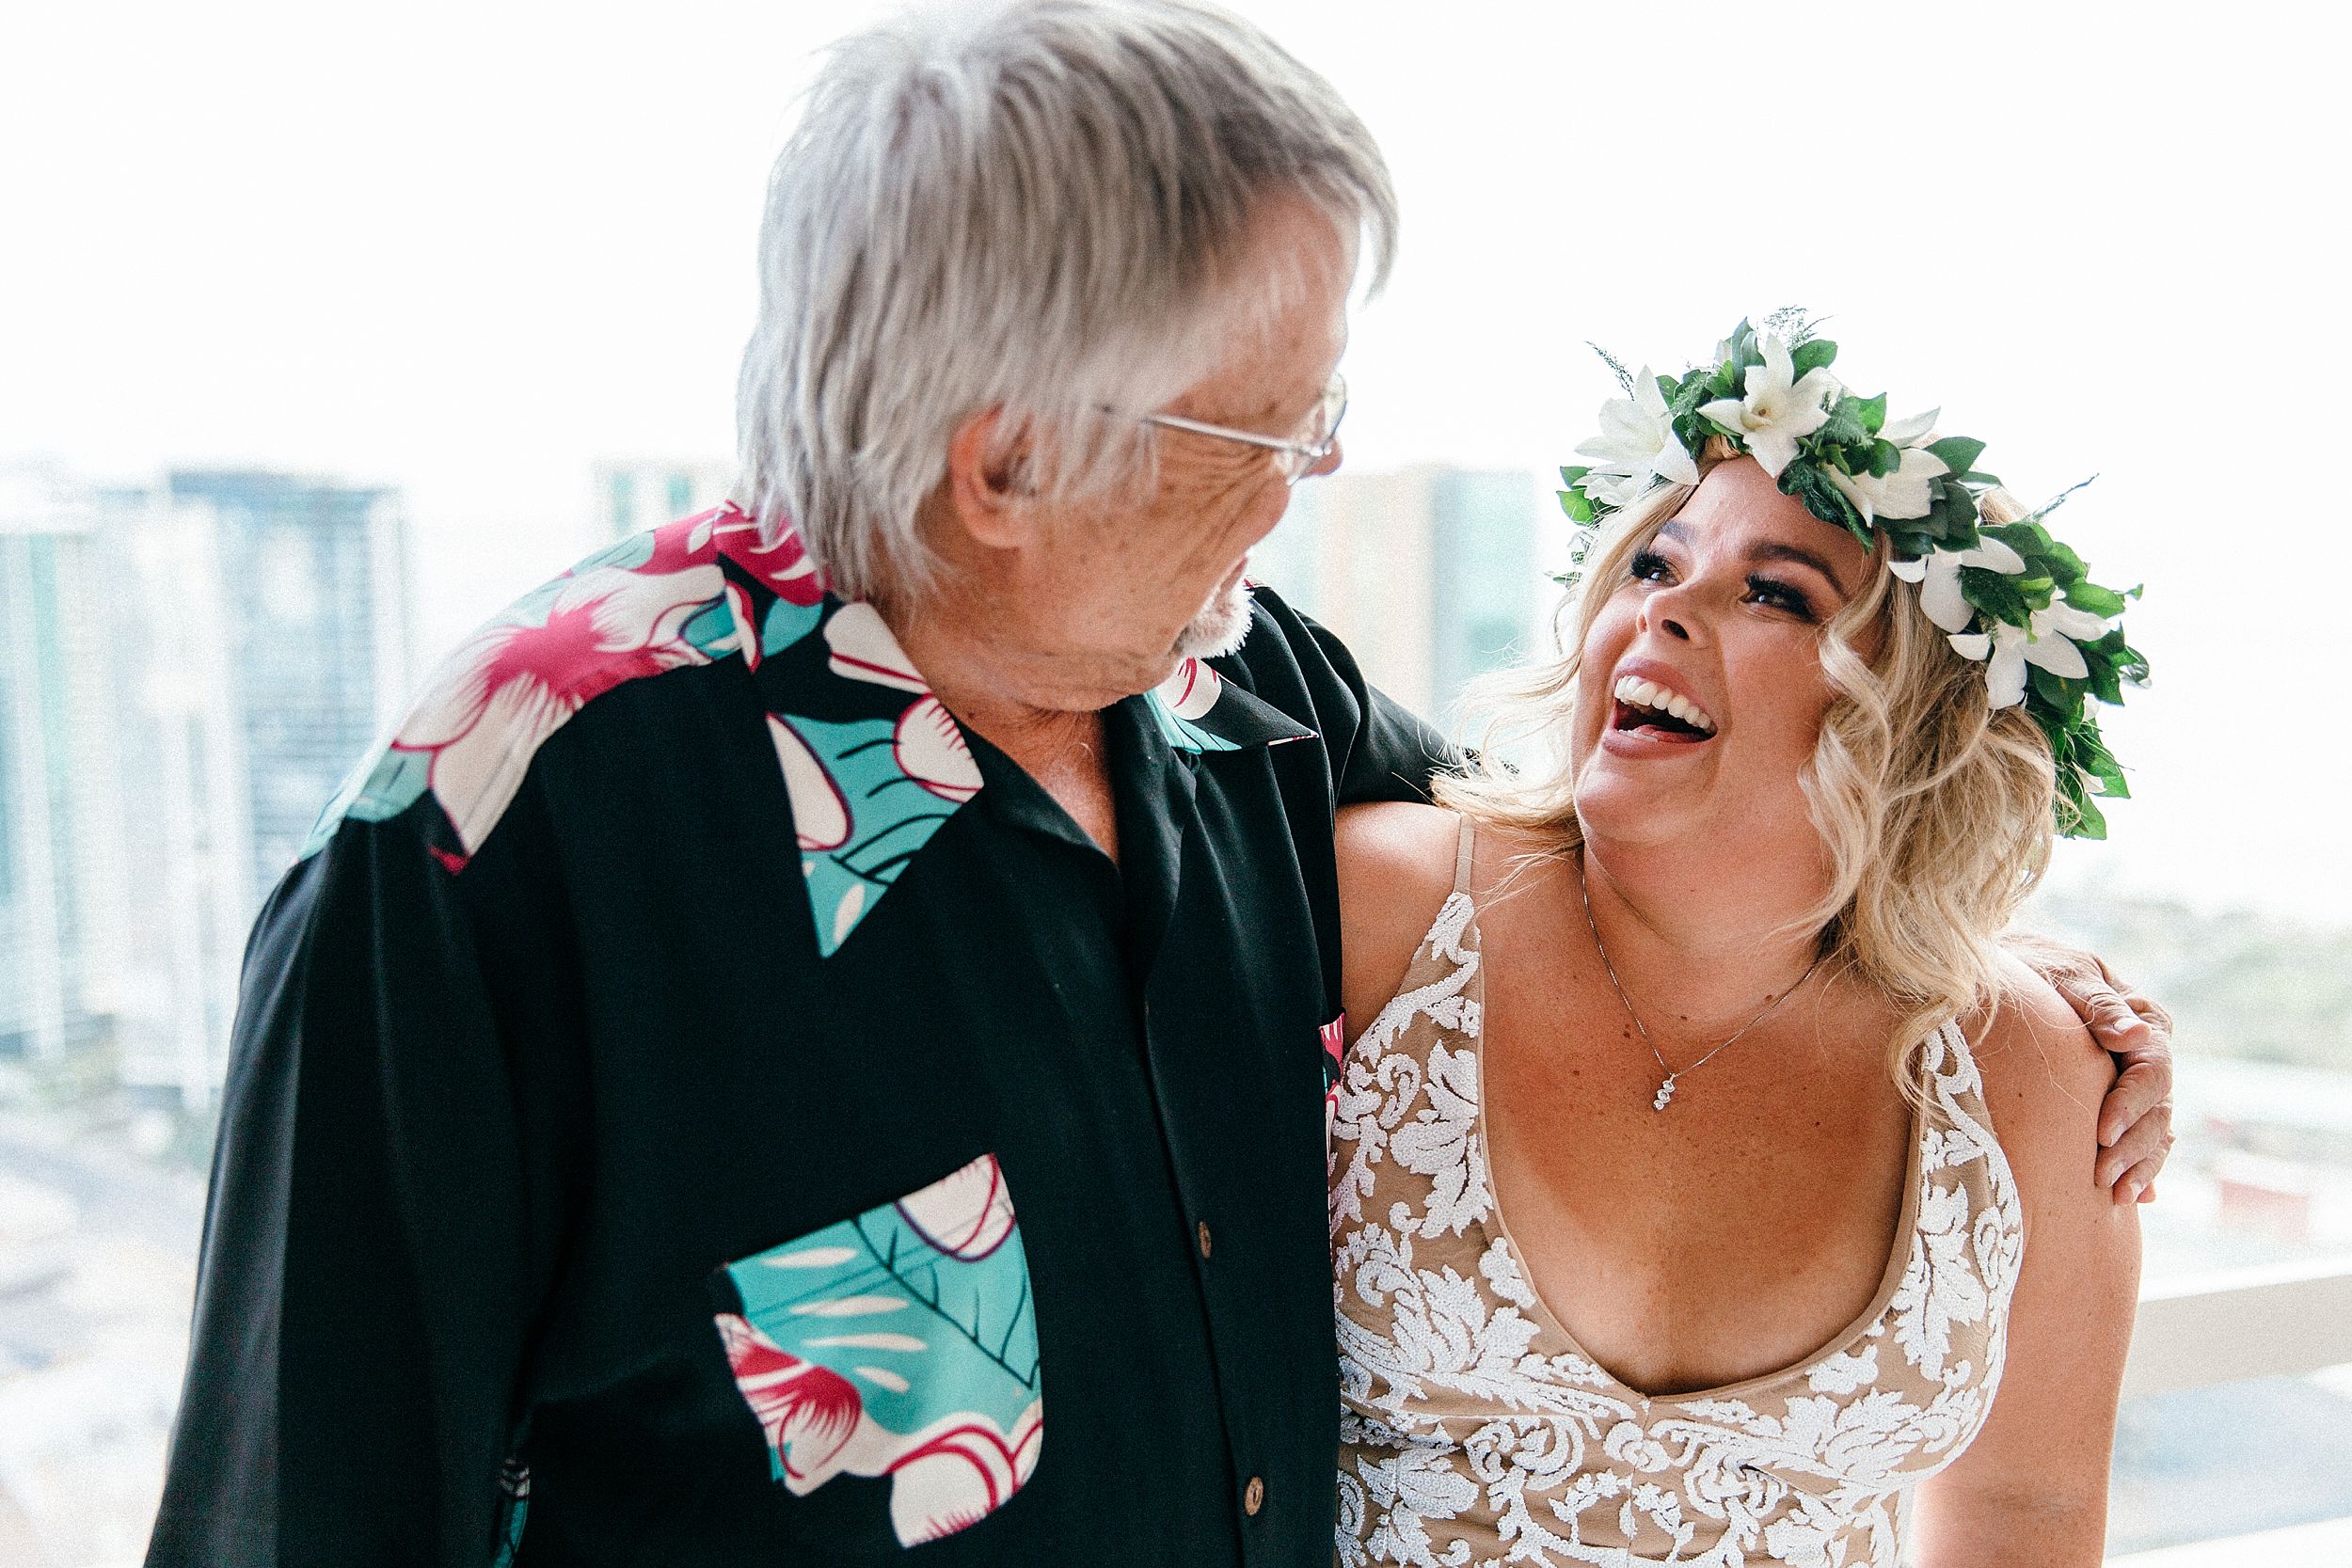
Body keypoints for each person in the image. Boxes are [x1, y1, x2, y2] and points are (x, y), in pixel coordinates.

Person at [145, 8, 2170, 1564]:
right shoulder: (502, 846)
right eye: (1271, 422)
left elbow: (1642, 863)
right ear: (1007, 461)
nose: (1314, 478)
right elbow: (299, 1518)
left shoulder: (1246, 703)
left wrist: (2005, 970)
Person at [1330, 323, 2153, 1565]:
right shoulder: (1377, 913)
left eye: (1775, 592)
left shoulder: (2035, 1074)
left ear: (1909, 721)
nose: (1665, 613)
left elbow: (2025, 1512)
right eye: (1653, 565)